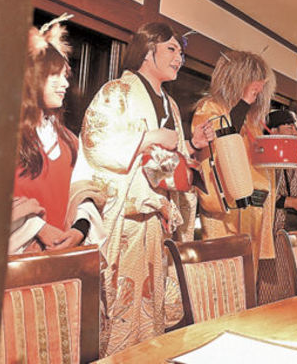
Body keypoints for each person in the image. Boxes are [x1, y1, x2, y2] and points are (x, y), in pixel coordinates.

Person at [74, 22, 213, 356]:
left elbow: (172, 162)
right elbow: (96, 144)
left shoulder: (172, 105)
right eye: (171, 49)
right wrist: (149, 138)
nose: (179, 58)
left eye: (181, 53)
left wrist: (192, 146)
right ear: (148, 50)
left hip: (158, 222)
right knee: (120, 312)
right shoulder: (116, 92)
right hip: (127, 220)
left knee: (152, 315)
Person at [10, 14, 105, 254]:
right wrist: (37, 228)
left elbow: (82, 192)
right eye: (54, 75)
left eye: (65, 76)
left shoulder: (69, 141)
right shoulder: (3, 135)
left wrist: (79, 229)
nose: (64, 84)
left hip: (61, 255)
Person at [192, 50, 276, 270]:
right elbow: (221, 143)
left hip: (252, 209)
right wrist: (244, 102)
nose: (259, 90)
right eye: (254, 82)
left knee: (248, 277)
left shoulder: (253, 120)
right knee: (223, 275)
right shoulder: (210, 108)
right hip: (224, 213)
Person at [267, 110, 297, 232]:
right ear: (273, 131)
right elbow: (262, 194)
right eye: (289, 128)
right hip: (275, 227)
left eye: (296, 129)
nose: (295, 133)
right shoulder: (265, 159)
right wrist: (291, 202)